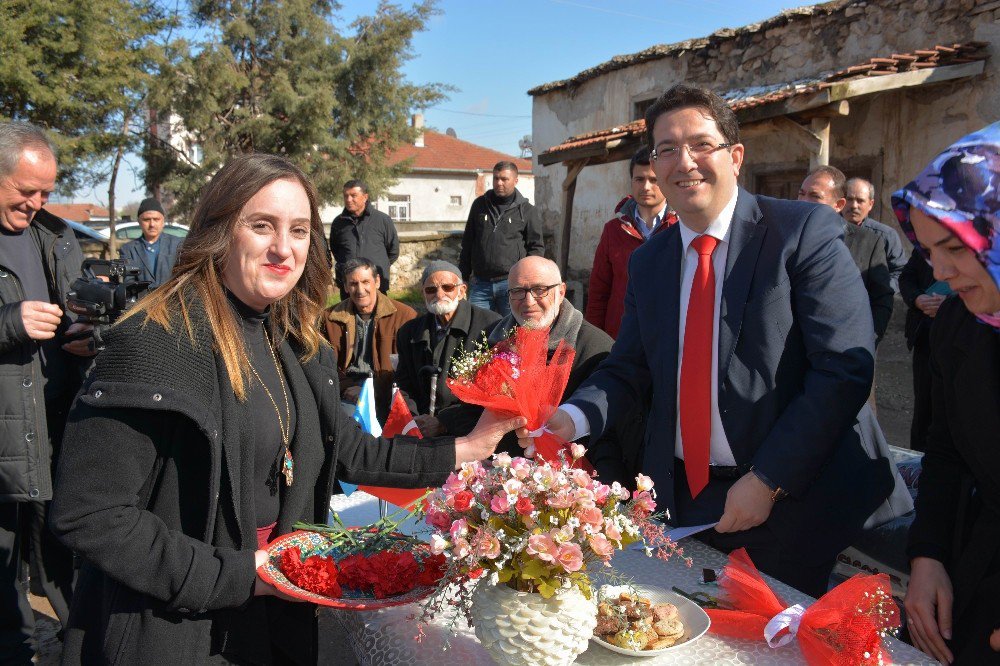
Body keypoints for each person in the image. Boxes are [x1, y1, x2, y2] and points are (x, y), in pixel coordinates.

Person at [47, 154, 523, 665]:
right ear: (219, 230)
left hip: (277, 623)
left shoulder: (300, 345)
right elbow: (89, 515)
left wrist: (467, 448)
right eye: (261, 226)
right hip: (175, 629)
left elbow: (351, 450)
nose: (283, 248)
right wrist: (243, 576)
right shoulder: (154, 341)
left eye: (299, 230)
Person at [527, 84, 893, 598]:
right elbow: (627, 367)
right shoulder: (651, 261)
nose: (684, 162)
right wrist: (574, 417)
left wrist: (770, 478)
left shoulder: (802, 233)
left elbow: (843, 370)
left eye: (700, 144)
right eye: (667, 150)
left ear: (735, 156)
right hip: (685, 499)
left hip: (793, 498)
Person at [895, 123, 1000, 665]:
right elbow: (947, 448)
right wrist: (928, 555)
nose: (938, 272)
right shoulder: (960, 325)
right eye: (928, 250)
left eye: (955, 248)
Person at [0, 121, 93, 662]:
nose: (36, 203)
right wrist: (10, 323)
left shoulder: (53, 236)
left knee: (66, 556)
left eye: (46, 193)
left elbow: (74, 316)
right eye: (25, 191)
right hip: (5, 438)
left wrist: (82, 341)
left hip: (57, 426)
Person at [489, 256, 620, 458]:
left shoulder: (595, 348)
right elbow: (474, 413)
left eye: (540, 289)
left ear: (561, 292)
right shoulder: (493, 339)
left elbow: (609, 431)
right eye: (518, 291)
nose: (529, 301)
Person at [394, 260, 500, 437]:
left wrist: (444, 422)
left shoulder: (490, 326)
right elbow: (403, 385)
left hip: (469, 430)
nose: (439, 294)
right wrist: (412, 419)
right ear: (423, 294)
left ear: (462, 291)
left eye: (447, 287)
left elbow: (490, 393)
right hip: (419, 427)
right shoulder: (409, 332)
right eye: (431, 290)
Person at [586, 147, 677, 338]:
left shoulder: (681, 228)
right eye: (639, 179)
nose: (646, 187)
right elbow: (598, 291)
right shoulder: (613, 230)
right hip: (620, 336)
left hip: (668, 336)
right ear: (631, 181)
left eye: (654, 180)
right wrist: (594, 340)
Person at [799, 165, 894, 344]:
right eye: (801, 193)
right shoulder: (786, 238)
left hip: (846, 349)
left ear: (838, 205)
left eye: (815, 196)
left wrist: (868, 341)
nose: (803, 202)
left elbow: (881, 299)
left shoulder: (869, 242)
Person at [323, 257, 416, 421]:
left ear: (377, 281)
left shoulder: (404, 316)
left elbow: (410, 367)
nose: (360, 290)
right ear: (345, 287)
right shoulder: (330, 318)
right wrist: (347, 387)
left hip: (389, 389)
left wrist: (372, 390)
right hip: (350, 390)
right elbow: (325, 364)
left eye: (365, 282)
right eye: (353, 284)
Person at [459, 161, 544, 317]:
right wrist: (462, 277)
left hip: (511, 284)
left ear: (516, 180)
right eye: (496, 178)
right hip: (480, 284)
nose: (499, 183)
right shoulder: (479, 205)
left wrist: (528, 281)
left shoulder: (527, 211)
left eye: (504, 179)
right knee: (476, 329)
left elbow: (536, 247)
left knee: (512, 330)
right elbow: (468, 243)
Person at [898, 251, 944, 452]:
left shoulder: (983, 249)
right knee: (924, 405)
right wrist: (918, 299)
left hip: (963, 341)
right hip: (925, 338)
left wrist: (950, 305)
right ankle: (918, 463)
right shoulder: (927, 246)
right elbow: (907, 277)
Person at [328, 179, 399, 297]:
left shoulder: (382, 220)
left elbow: (393, 251)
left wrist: (375, 267)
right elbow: (336, 250)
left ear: (365, 197)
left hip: (376, 285)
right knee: (346, 316)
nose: (348, 199)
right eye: (346, 196)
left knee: (380, 315)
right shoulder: (338, 222)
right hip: (349, 287)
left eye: (353, 195)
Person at [843, 177, 907, 292]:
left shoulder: (886, 235)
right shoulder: (830, 231)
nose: (854, 205)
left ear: (871, 204)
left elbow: (899, 272)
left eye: (860, 200)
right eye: (849, 199)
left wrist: (880, 291)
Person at [118, 197, 183, 288]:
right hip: (143, 300)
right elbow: (129, 283)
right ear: (139, 221)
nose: (152, 224)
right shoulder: (128, 250)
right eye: (147, 220)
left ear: (163, 221)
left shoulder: (178, 244)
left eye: (156, 219)